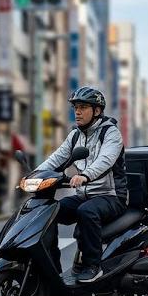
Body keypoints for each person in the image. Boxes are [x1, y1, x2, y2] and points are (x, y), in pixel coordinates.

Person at [37, 86, 127, 283]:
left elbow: (105, 160)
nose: (77, 112)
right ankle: (51, 265)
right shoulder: (76, 135)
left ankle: (93, 266)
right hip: (86, 195)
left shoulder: (111, 133)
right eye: (76, 107)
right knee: (48, 211)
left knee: (87, 211)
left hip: (112, 196)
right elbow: (56, 159)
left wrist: (85, 175)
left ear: (97, 111)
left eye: (83, 107)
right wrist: (34, 176)